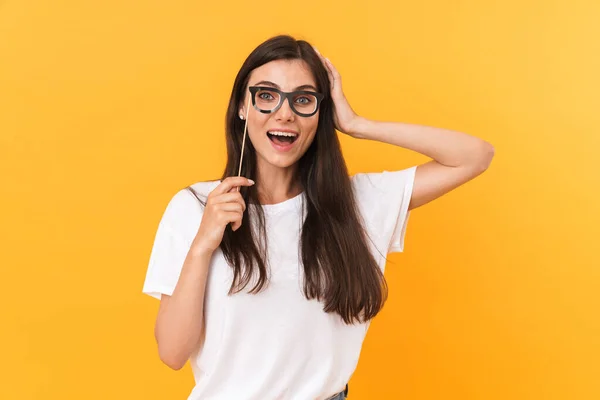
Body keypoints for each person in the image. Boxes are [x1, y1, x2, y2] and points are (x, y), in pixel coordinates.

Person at [142, 34, 494, 400]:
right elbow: (172, 353)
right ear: (241, 107)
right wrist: (202, 245)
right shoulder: (197, 206)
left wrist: (357, 124)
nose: (284, 113)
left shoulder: (356, 204)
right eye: (266, 95)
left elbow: (475, 155)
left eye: (303, 100)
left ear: (321, 113)